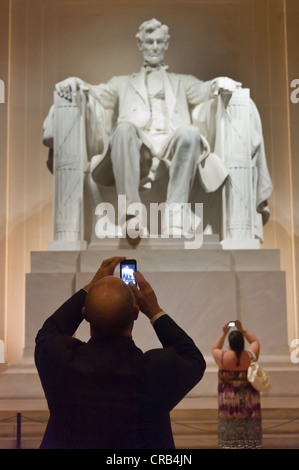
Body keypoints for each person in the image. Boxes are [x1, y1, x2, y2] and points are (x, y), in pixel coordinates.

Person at [52, 18, 240, 238]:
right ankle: (130, 215)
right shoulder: (121, 83)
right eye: (149, 42)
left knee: (190, 132)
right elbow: (97, 92)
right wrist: (77, 82)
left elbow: (203, 89)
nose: (154, 47)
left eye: (159, 42)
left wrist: (218, 82)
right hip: (138, 145)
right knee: (123, 128)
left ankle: (176, 216)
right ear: (140, 45)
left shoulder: (182, 81)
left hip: (172, 143)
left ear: (166, 45)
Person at [34, 256, 206, 449]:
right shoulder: (157, 370)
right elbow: (193, 357)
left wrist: (90, 287)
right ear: (135, 313)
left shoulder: (60, 361)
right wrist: (154, 310)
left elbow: (49, 331)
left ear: (85, 314)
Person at [211, 320, 262, 449]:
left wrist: (224, 333)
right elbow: (255, 342)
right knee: (250, 430)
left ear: (230, 344)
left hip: (229, 403)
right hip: (249, 401)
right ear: (242, 343)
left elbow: (214, 348)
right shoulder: (250, 356)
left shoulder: (222, 357)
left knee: (230, 429)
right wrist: (243, 329)